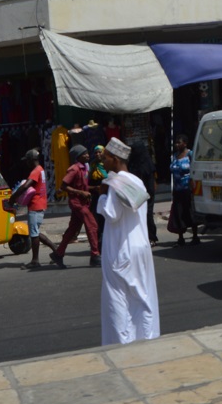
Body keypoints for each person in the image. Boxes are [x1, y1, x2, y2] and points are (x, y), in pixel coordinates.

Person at [97, 137, 160, 345]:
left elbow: (112, 214)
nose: (102, 162)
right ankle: (148, 339)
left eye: (105, 158)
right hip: (141, 248)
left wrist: (102, 197)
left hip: (121, 251)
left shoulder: (115, 184)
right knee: (143, 298)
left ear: (115, 159)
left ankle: (122, 346)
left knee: (119, 302)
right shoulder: (137, 182)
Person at [50, 146, 101, 267]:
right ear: (78, 157)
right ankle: (95, 254)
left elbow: (81, 186)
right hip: (77, 203)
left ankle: (58, 254)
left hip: (82, 202)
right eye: (85, 154)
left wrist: (93, 189)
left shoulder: (84, 169)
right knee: (92, 226)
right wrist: (81, 193)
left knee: (72, 230)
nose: (88, 155)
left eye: (87, 153)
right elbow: (63, 186)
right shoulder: (74, 169)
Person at [10, 149, 56, 268]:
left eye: (27, 161)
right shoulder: (41, 169)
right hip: (40, 204)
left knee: (34, 233)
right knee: (34, 232)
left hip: (35, 205)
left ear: (32, 160)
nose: (26, 163)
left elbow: (26, 186)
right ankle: (56, 250)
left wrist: (14, 197)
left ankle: (35, 261)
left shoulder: (35, 171)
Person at [168, 137, 199, 246]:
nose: (177, 144)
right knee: (178, 214)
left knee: (190, 212)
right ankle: (180, 238)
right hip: (177, 190)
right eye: (176, 142)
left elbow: (195, 170)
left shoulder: (190, 155)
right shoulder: (174, 157)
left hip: (188, 190)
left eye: (179, 142)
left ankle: (195, 236)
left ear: (185, 143)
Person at [127, 142, 159, 245]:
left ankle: (152, 237)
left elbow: (152, 178)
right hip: (136, 194)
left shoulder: (145, 163)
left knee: (147, 215)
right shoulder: (132, 163)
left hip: (147, 193)